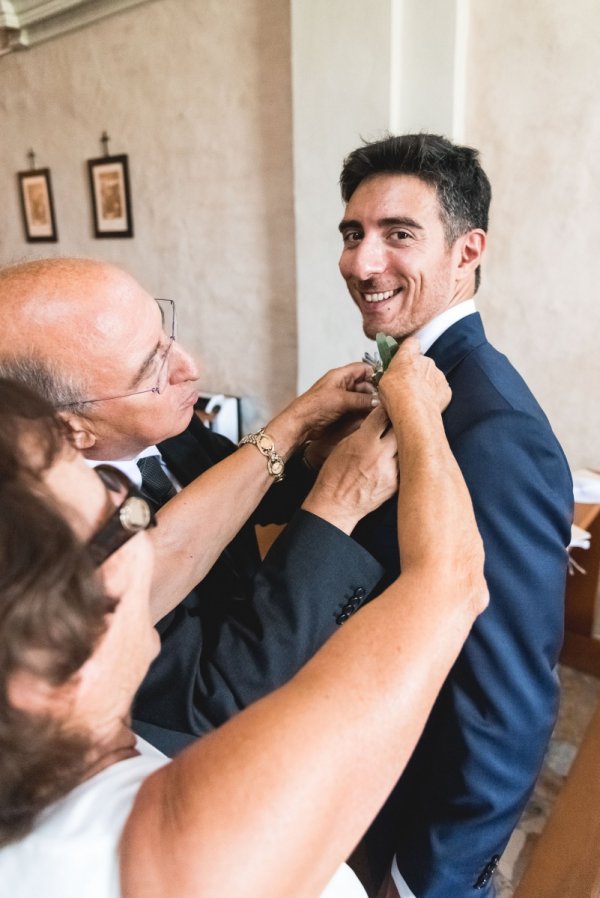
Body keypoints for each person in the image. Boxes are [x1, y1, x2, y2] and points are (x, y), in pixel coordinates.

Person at [0, 344, 488, 898]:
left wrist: (299, 426)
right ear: (41, 676)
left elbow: (175, 546)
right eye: (121, 518)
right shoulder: (192, 841)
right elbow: (452, 580)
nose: (144, 526)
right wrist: (419, 414)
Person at [0, 257, 396, 756]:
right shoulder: (58, 545)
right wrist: (337, 504)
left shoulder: (167, 428)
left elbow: (244, 494)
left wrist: (313, 451)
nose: (191, 368)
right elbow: (222, 693)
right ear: (68, 429)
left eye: (164, 335)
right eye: (151, 369)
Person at [336, 133, 574, 898]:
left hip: (416, 845)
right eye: (352, 233)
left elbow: (507, 697)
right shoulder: (401, 377)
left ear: (468, 250)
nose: (362, 263)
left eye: (398, 235)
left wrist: (427, 879)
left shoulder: (492, 427)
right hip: (359, 791)